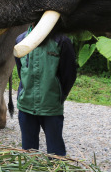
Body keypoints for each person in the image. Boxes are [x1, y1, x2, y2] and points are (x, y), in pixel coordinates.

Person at [15, 25, 77, 156]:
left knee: (56, 154)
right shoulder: (21, 40)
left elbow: (69, 75)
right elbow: (21, 71)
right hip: (26, 106)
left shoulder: (61, 41)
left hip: (51, 107)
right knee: (28, 154)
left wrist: (58, 95)